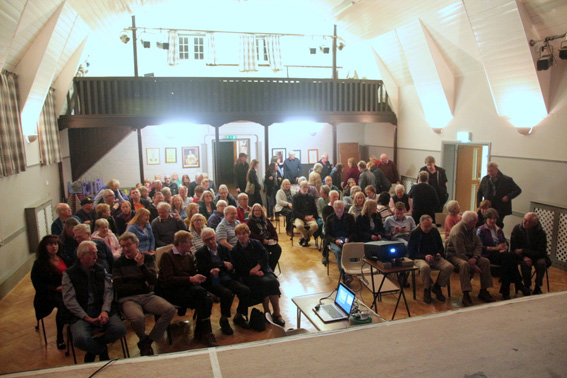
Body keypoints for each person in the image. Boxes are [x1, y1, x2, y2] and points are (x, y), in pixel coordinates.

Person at [62, 241, 127, 363]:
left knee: (120, 329)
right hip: (81, 313)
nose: (96, 257)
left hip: (101, 309)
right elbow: (69, 301)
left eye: (96, 253)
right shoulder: (69, 274)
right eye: (92, 254)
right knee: (80, 339)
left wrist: (105, 311)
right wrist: (86, 317)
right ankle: (101, 350)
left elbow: (108, 292)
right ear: (82, 256)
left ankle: (93, 349)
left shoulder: (100, 269)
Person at [113, 233, 175, 356]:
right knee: (138, 318)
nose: (125, 249)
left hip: (147, 296)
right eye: (123, 246)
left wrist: (141, 266)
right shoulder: (118, 263)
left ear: (136, 244)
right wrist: (142, 284)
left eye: (128, 245)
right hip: (128, 299)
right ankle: (143, 338)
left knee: (169, 310)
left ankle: (147, 341)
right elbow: (119, 287)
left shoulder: (147, 258)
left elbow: (153, 281)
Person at [156, 231, 217, 347]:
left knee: (205, 299)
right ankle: (204, 333)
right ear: (181, 243)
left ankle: (203, 332)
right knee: (203, 297)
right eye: (189, 242)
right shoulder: (167, 256)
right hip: (171, 291)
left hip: (186, 289)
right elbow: (168, 280)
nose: (192, 245)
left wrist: (199, 277)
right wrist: (190, 279)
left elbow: (193, 274)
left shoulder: (188, 256)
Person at [195, 228, 252, 334]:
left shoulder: (223, 249)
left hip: (226, 277)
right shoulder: (200, 253)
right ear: (203, 241)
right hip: (211, 281)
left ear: (216, 236)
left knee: (245, 290)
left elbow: (231, 264)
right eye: (207, 240)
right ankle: (224, 319)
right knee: (227, 294)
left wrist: (221, 267)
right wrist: (221, 264)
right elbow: (203, 269)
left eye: (212, 238)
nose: (211, 242)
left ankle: (239, 315)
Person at [231, 224, 285, 327]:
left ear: (249, 233)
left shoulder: (256, 243)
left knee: (273, 282)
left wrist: (258, 268)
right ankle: (267, 311)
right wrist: (253, 271)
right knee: (264, 283)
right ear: (236, 235)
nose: (242, 236)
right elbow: (238, 267)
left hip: (262, 269)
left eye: (244, 233)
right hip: (247, 275)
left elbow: (265, 256)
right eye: (239, 234)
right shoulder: (235, 250)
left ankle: (277, 313)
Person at [445, 211, 495, 307]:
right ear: (469, 222)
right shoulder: (458, 232)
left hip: (470, 254)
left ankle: (484, 290)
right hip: (454, 255)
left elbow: (478, 244)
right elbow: (460, 252)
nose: (477, 222)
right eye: (475, 221)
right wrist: (473, 265)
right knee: (464, 265)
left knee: (485, 261)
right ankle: (466, 293)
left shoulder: (471, 228)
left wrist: (475, 258)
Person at [477, 209, 529, 299]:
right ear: (486, 219)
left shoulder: (498, 229)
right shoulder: (481, 230)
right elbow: (481, 247)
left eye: (494, 219)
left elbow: (504, 242)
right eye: (491, 219)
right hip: (488, 254)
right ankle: (518, 284)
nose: (493, 221)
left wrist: (504, 248)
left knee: (508, 259)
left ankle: (507, 290)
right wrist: (496, 248)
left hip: (501, 254)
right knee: (510, 257)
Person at [31, 235, 71, 350]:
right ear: (45, 247)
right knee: (62, 304)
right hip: (49, 294)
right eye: (50, 244)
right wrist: (55, 288)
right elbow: (38, 284)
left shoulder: (64, 258)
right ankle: (60, 336)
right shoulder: (39, 264)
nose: (54, 246)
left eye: (55, 244)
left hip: (67, 290)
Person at [407, 215, 453, 303]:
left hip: (434, 256)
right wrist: (424, 256)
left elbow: (440, 246)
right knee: (425, 268)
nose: (428, 228)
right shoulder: (414, 233)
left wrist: (439, 253)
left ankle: (437, 287)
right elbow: (411, 253)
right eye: (426, 226)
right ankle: (426, 289)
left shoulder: (434, 231)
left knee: (449, 267)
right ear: (420, 225)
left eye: (430, 226)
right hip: (419, 257)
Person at [511, 212, 551, 295]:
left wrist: (523, 250)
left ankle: (538, 286)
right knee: (525, 263)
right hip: (522, 256)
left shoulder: (541, 233)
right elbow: (514, 249)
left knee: (542, 263)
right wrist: (523, 256)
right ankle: (527, 286)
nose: (524, 222)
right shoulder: (517, 229)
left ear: (534, 223)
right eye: (524, 219)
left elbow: (541, 253)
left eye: (527, 221)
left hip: (536, 256)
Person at [477, 162, 522, 228]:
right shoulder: (485, 179)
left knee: (497, 224)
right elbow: (479, 192)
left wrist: (508, 197)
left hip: (500, 207)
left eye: (491, 171)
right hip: (488, 206)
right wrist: (479, 205)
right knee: (485, 224)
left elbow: (518, 190)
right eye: (488, 171)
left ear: (496, 170)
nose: (490, 173)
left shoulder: (507, 180)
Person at [324, 200, 357, 283]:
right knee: (338, 252)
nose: (339, 210)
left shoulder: (349, 217)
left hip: (347, 239)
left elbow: (354, 232)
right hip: (335, 240)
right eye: (337, 208)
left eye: (341, 208)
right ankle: (345, 275)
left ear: (344, 208)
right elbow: (327, 235)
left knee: (351, 250)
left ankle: (350, 272)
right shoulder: (329, 218)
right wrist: (335, 240)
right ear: (334, 208)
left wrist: (348, 239)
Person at [246, 204, 282, 271]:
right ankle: (266, 269)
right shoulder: (250, 222)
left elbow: (272, 230)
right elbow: (251, 235)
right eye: (255, 210)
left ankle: (271, 268)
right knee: (265, 253)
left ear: (262, 211)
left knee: (278, 249)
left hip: (269, 241)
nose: (257, 212)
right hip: (259, 243)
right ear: (253, 212)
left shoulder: (266, 220)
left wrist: (275, 238)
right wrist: (262, 240)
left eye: (259, 210)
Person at [292, 181, 319, 247]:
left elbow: (315, 210)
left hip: (309, 217)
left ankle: (304, 237)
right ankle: (306, 238)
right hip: (299, 217)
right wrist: (304, 217)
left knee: (315, 226)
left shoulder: (310, 197)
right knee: (299, 226)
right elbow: (295, 211)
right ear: (300, 187)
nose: (305, 189)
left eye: (307, 187)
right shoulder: (295, 197)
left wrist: (312, 216)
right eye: (304, 187)